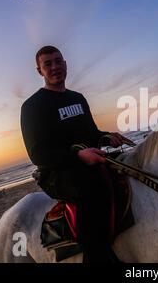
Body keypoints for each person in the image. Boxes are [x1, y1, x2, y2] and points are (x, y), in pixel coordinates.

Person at [20, 45, 124, 263]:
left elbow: (92, 134)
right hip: (57, 173)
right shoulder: (32, 106)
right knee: (91, 191)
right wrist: (78, 156)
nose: (55, 67)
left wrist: (107, 137)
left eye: (58, 61)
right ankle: (96, 255)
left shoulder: (77, 98)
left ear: (65, 64)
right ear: (40, 71)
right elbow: (38, 154)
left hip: (88, 161)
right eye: (48, 64)